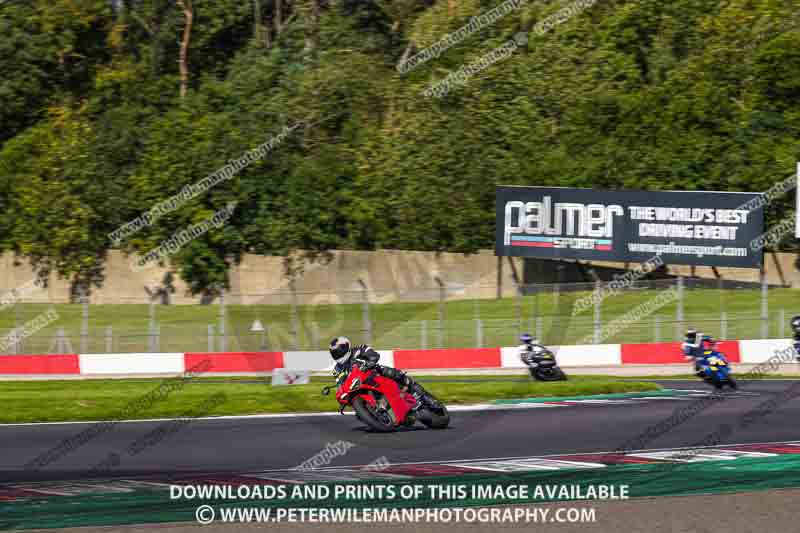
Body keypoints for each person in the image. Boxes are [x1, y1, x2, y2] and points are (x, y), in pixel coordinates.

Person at [329, 337, 441, 409]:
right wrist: (341, 395)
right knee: (355, 407)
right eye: (335, 353)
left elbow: (374, 355)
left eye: (339, 351)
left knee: (394, 373)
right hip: (360, 387)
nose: (338, 354)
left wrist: (370, 361)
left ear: (346, 347)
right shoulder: (337, 369)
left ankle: (427, 399)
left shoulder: (358, 350)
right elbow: (340, 384)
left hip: (374, 374)